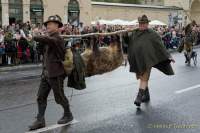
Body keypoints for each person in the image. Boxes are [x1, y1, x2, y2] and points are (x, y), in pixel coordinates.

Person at [29, 15, 73, 130]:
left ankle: (68, 114)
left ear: (57, 26)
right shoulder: (48, 38)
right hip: (46, 73)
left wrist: (36, 36)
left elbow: (48, 40)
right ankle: (40, 120)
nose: (48, 25)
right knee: (40, 97)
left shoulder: (57, 38)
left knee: (59, 97)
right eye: (47, 24)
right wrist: (39, 45)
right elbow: (41, 51)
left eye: (51, 23)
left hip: (56, 73)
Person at [126, 15, 175, 107]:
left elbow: (160, 45)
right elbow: (128, 42)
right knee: (141, 77)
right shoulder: (135, 33)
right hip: (138, 60)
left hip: (148, 60)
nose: (141, 25)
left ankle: (139, 98)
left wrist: (168, 56)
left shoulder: (152, 34)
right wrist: (125, 34)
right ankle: (146, 95)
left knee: (144, 77)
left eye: (143, 23)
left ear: (147, 24)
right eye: (140, 23)